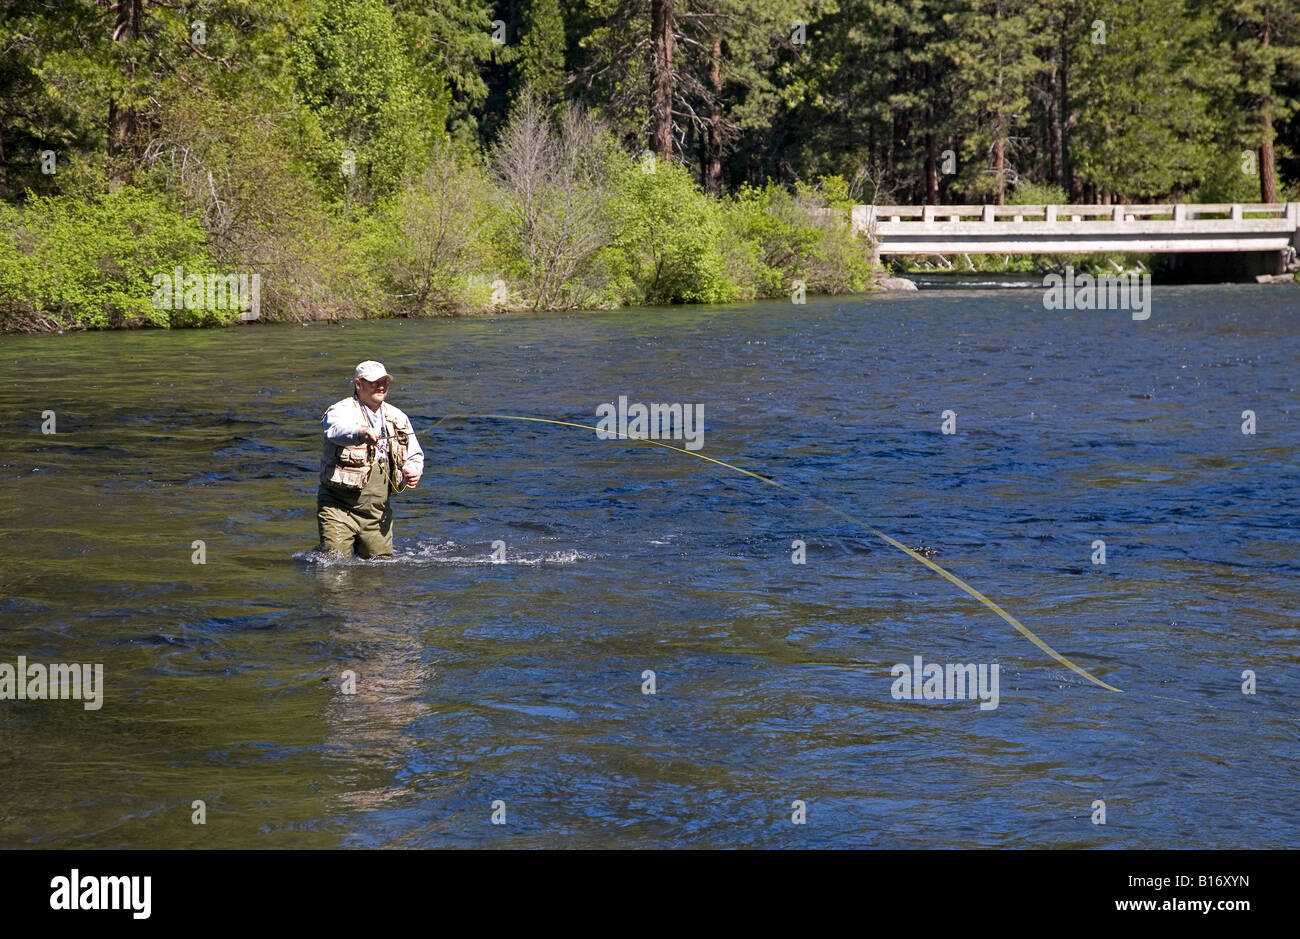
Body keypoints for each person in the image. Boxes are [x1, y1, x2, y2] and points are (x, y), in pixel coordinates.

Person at [316, 361, 424, 558]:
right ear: (358, 384)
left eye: (384, 382)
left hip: (377, 513)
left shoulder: (398, 416)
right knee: (333, 567)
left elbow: (414, 454)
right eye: (375, 382)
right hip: (338, 508)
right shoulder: (340, 410)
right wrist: (360, 432)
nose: (381, 387)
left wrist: (413, 470)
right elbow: (334, 431)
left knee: (378, 573)